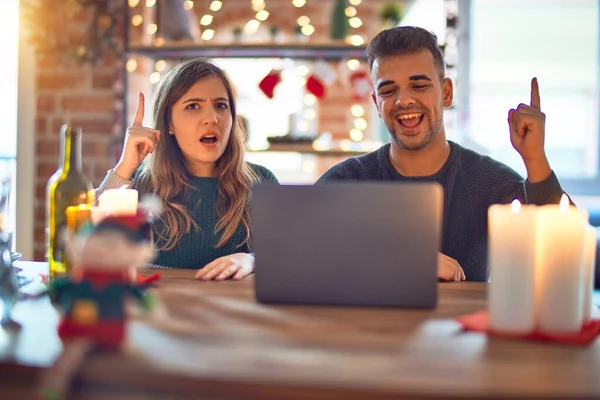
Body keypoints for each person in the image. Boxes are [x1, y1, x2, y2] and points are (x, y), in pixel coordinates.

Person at [316, 26, 568, 282]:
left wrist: (535, 160)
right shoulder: (345, 181)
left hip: (464, 323)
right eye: (388, 91)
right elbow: (300, 261)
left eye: (418, 85)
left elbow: (565, 260)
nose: (403, 101)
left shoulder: (492, 182)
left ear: (446, 93)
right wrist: (402, 261)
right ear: (376, 104)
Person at [96, 58, 278, 280]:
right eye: (193, 106)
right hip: (159, 310)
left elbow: (289, 254)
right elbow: (84, 243)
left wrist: (253, 260)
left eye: (221, 105)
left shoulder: (261, 181)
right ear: (168, 123)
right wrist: (124, 167)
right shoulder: (137, 183)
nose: (212, 119)